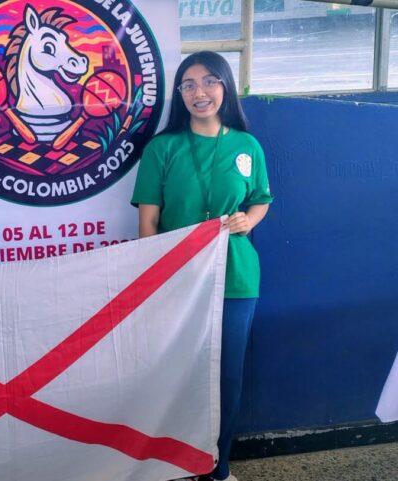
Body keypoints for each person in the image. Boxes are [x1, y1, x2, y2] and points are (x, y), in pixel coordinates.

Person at [131, 51, 273, 481]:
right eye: (189, 84)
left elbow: (261, 199)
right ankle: (173, 463)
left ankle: (219, 467)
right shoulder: (162, 148)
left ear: (225, 86)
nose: (200, 92)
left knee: (227, 378)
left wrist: (249, 220)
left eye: (210, 81)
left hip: (236, 277)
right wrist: (159, 280)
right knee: (177, 375)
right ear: (179, 94)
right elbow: (148, 224)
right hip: (179, 281)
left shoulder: (247, 146)